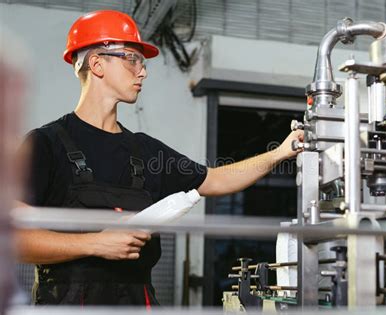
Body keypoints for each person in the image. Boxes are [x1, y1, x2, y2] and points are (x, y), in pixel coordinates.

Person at [15, 10, 303, 306]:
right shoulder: (45, 145)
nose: (143, 71)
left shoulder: (145, 152)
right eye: (132, 58)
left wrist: (281, 151)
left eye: (143, 61)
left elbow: (216, 179)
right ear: (97, 64)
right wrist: (96, 243)